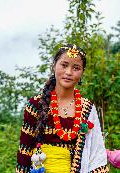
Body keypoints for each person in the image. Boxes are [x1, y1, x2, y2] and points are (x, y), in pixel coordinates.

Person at [16, 44, 109, 173]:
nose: (69, 72)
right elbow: (24, 153)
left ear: (82, 72)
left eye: (76, 68)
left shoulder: (87, 108)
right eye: (64, 65)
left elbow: (96, 156)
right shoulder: (36, 104)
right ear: (54, 65)